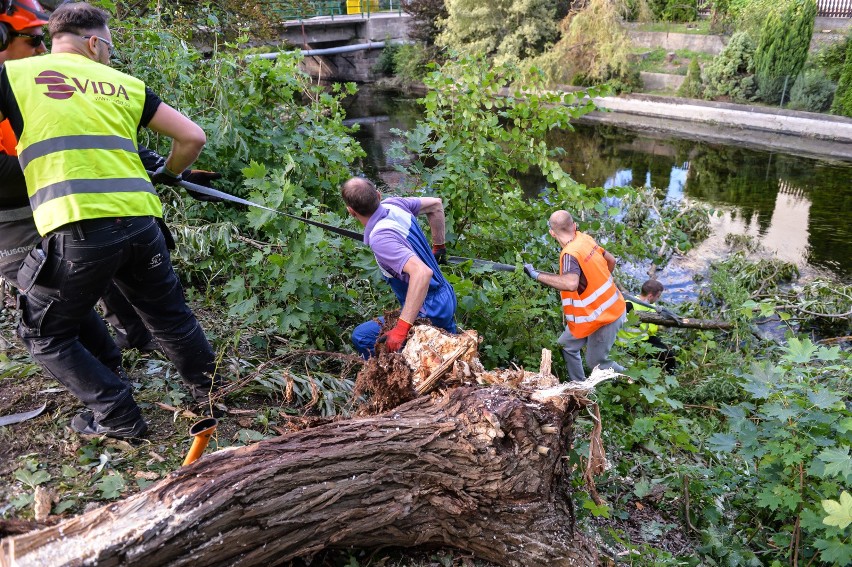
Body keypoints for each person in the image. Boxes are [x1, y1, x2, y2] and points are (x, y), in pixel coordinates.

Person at [0, 2, 221, 438]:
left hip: (78, 227)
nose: (110, 56)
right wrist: (170, 173)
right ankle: (210, 396)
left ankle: (118, 417)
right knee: (170, 317)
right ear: (96, 43)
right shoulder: (124, 84)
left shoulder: (14, 76)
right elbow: (192, 136)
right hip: (142, 223)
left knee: (43, 333)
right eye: (110, 48)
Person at [341, 177, 457, 357]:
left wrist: (401, 330)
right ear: (378, 196)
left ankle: (396, 379)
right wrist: (439, 247)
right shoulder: (395, 204)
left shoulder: (381, 240)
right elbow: (435, 205)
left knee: (362, 336)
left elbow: (422, 273)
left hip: (429, 310)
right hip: (446, 297)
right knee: (452, 354)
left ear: (351, 211)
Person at [523, 210, 626, 381]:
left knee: (596, 363)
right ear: (574, 226)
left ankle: (631, 378)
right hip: (590, 314)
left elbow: (570, 283)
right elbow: (611, 260)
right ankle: (578, 388)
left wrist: (536, 275)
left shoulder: (570, 254)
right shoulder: (585, 239)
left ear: (552, 233)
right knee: (567, 345)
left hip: (607, 315)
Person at [618, 279, 677, 373]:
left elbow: (650, 327)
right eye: (658, 296)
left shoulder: (651, 305)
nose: (658, 299)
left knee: (669, 354)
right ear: (650, 296)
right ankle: (669, 376)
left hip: (643, 338)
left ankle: (665, 372)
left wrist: (663, 326)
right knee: (666, 355)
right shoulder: (629, 305)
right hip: (629, 343)